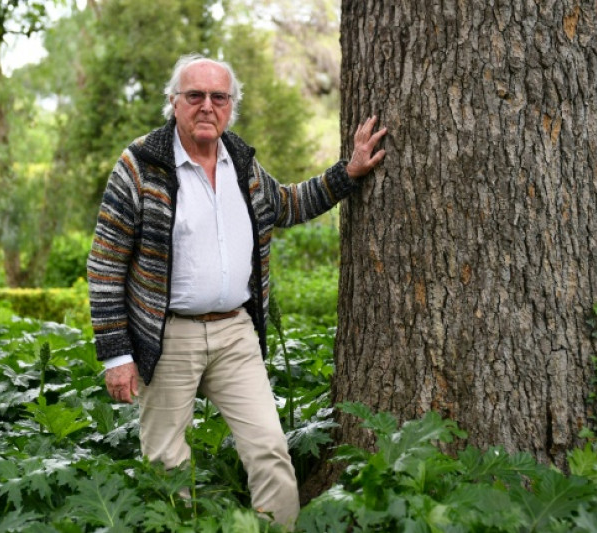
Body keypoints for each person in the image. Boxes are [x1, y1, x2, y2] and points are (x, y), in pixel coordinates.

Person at [87, 53, 387, 528]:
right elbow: (105, 262)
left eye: (218, 97)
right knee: (166, 465)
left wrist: (346, 174)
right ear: (174, 103)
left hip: (235, 334)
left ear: (230, 106)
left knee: (269, 449)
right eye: (195, 96)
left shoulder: (241, 162)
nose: (207, 106)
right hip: (167, 339)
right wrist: (116, 354)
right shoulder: (141, 164)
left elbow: (287, 204)